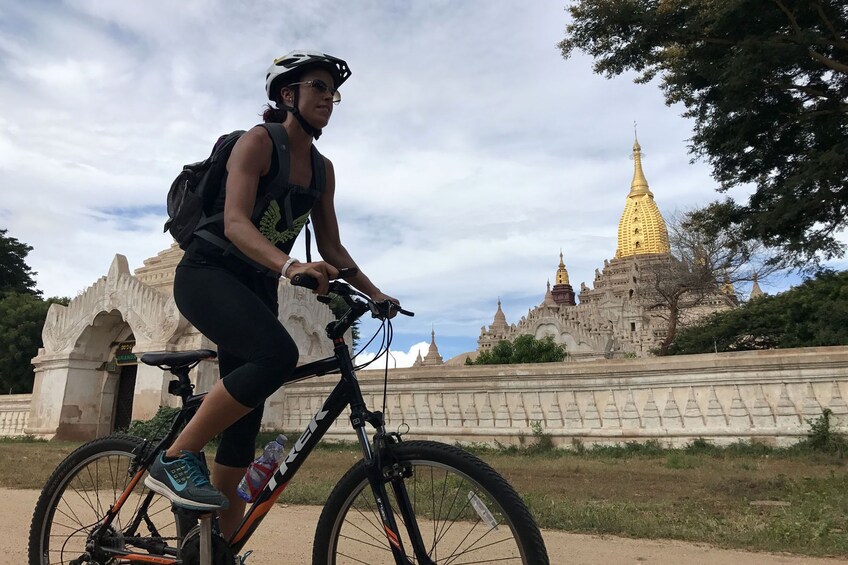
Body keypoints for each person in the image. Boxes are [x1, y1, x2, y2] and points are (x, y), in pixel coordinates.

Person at [144, 50, 399, 538]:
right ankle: (173, 457)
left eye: (333, 91)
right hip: (208, 273)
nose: (329, 98)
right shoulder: (259, 142)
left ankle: (217, 545)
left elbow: (332, 246)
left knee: (245, 421)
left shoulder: (323, 170)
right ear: (288, 94)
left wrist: (377, 293)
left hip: (257, 284)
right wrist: (290, 265)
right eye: (318, 87)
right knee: (276, 354)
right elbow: (237, 222)